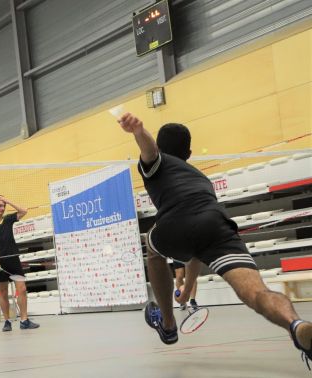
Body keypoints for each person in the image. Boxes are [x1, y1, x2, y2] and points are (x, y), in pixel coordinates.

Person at [118, 112, 312, 368]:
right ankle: (295, 324)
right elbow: (197, 250)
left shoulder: (159, 162)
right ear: (188, 153)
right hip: (216, 224)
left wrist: (139, 132)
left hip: (175, 223)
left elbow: (150, 151)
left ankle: (167, 325)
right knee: (256, 293)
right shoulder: (200, 177)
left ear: (164, 148)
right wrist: (187, 291)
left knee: (152, 246)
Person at [0, 195, 39, 332]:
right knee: (3, 292)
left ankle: (24, 320)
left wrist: (8, 200)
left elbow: (23, 211)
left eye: (3, 206)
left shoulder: (8, 219)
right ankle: (7, 321)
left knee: (22, 289)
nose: (2, 208)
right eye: (0, 205)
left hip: (13, 259)